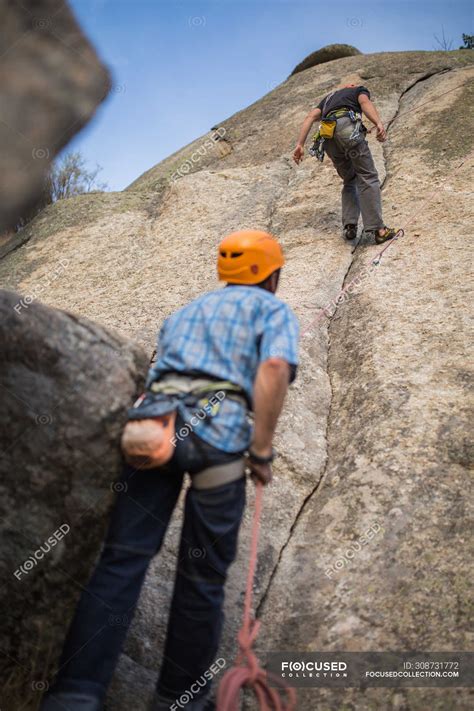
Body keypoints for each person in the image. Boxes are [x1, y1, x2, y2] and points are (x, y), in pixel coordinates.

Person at [40, 230, 299, 711]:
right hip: (216, 438)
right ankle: (178, 698)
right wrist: (260, 452)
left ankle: (74, 695)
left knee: (121, 560)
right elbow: (274, 369)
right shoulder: (273, 311)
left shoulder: (184, 313)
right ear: (271, 273)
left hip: (153, 431)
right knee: (201, 578)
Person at [293, 83, 398, 244]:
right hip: (347, 129)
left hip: (328, 137)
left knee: (350, 180)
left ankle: (350, 226)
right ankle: (379, 230)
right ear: (350, 86)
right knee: (367, 176)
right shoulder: (358, 90)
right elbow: (365, 103)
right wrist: (378, 123)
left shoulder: (328, 99)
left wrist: (300, 144)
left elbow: (310, 117)